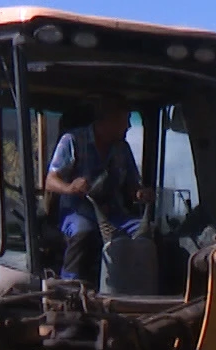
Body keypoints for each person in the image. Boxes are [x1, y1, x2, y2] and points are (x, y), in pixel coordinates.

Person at [44, 97, 149, 284]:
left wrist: (140, 193)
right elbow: (50, 181)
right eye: (125, 121)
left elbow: (133, 185)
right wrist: (70, 187)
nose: (128, 128)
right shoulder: (73, 140)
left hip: (114, 215)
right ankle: (69, 285)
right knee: (83, 231)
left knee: (146, 232)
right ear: (107, 121)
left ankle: (137, 286)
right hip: (78, 212)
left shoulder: (122, 149)